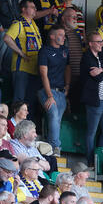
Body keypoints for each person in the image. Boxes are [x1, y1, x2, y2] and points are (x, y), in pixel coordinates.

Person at [3, 0, 43, 122]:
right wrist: (20, 52)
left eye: (35, 7)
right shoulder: (18, 23)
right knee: (19, 101)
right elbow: (7, 38)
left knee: (30, 101)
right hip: (22, 68)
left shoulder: (34, 24)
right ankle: (14, 129)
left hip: (34, 69)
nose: (35, 9)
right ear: (23, 9)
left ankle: (27, 129)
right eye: (32, 6)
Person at [80, 31, 103, 166]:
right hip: (95, 100)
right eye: (98, 42)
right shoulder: (87, 57)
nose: (101, 44)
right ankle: (91, 162)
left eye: (102, 41)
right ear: (90, 44)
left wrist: (101, 70)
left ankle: (100, 161)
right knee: (92, 132)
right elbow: (99, 77)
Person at [38, 24, 71, 157]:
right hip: (46, 91)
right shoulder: (44, 51)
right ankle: (55, 147)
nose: (64, 37)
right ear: (52, 36)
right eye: (60, 35)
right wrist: (49, 95)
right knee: (53, 116)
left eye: (64, 35)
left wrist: (68, 86)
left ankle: (50, 147)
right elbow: (43, 74)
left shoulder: (65, 50)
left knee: (57, 120)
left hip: (61, 91)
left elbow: (68, 68)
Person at [59, 7, 84, 114]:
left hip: (78, 72)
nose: (75, 19)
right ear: (64, 18)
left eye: (76, 17)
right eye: (72, 17)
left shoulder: (76, 33)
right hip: (65, 73)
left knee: (76, 103)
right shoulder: (59, 33)